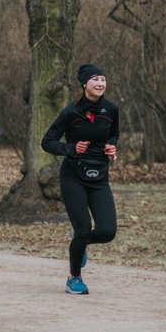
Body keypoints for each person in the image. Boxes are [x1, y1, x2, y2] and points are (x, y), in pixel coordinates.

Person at [41, 64, 119, 295]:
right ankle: (74, 277)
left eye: (103, 79)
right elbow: (47, 142)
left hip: (100, 177)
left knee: (107, 232)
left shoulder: (111, 109)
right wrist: (72, 148)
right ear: (85, 83)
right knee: (83, 227)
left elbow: (114, 133)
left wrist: (112, 147)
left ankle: (80, 240)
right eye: (95, 79)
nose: (100, 83)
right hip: (73, 176)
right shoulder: (70, 112)